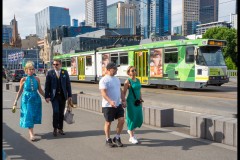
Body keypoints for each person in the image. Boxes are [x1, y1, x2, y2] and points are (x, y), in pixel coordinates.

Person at [12, 61, 45, 141]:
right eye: (30, 69)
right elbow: (20, 91)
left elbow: (40, 90)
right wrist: (15, 101)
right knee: (28, 115)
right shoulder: (23, 79)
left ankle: (31, 130)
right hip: (26, 100)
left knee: (33, 115)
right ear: (26, 70)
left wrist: (46, 97)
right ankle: (31, 133)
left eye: (33, 69)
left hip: (35, 99)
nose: (32, 71)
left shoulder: (37, 79)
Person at [99, 62, 126, 147]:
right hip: (108, 105)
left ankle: (117, 137)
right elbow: (103, 93)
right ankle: (108, 139)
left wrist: (124, 100)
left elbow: (120, 90)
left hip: (118, 104)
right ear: (108, 70)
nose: (116, 70)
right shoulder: (104, 80)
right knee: (108, 123)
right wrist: (110, 101)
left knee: (122, 120)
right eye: (114, 69)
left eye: (116, 69)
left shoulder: (117, 79)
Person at [45, 60, 72, 137]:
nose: (55, 66)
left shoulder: (64, 72)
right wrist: (47, 96)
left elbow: (68, 85)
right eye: (53, 64)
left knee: (61, 113)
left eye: (56, 64)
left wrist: (69, 95)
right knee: (56, 112)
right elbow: (47, 86)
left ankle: (60, 128)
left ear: (60, 64)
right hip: (54, 97)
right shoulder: (50, 73)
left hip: (63, 96)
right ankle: (55, 128)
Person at [123, 66, 144, 144]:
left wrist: (141, 98)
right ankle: (131, 137)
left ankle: (130, 129)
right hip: (131, 102)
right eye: (132, 70)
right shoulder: (127, 81)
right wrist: (123, 101)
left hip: (138, 102)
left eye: (135, 70)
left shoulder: (138, 80)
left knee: (139, 118)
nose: (134, 71)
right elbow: (124, 93)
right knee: (132, 118)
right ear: (129, 72)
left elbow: (139, 90)